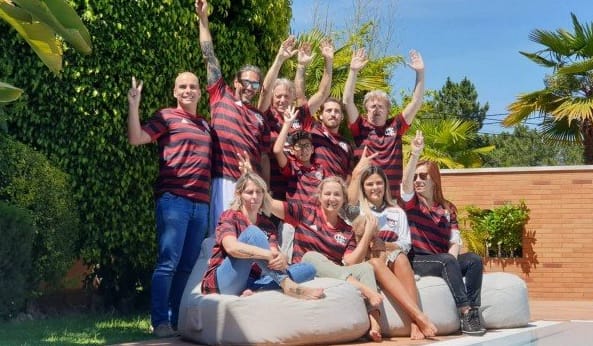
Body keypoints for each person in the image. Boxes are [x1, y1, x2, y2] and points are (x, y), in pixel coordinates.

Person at [127, 73, 211, 337]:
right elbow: (137, 138)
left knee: (187, 266)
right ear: (175, 92)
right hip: (174, 201)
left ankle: (177, 321)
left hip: (201, 205)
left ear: (199, 92)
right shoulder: (166, 116)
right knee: (168, 263)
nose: (188, 90)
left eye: (193, 86)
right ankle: (160, 321)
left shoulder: (205, 125)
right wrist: (133, 106)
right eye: (183, 87)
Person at [264, 176, 384, 342]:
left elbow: (350, 262)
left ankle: (375, 322)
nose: (332, 199)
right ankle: (362, 289)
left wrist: (368, 234)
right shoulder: (305, 212)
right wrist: (252, 177)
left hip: (333, 274)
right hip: (306, 272)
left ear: (343, 199)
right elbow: (269, 204)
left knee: (366, 268)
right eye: (327, 194)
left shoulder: (346, 230)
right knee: (311, 257)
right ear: (319, 196)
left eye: (337, 195)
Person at [196, 0, 271, 235]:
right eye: (246, 81)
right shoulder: (220, 94)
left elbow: (265, 158)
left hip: (251, 186)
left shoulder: (260, 117)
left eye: (255, 83)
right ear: (236, 81)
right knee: (219, 238)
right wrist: (203, 19)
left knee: (248, 240)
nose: (250, 86)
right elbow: (209, 57)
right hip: (223, 181)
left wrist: (264, 190)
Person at [401, 131, 486, 336]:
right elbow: (404, 185)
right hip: (418, 259)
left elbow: (454, 240)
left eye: (423, 176)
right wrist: (415, 154)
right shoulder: (412, 204)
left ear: (435, 180)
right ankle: (464, 312)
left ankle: (473, 309)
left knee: (474, 259)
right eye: (415, 177)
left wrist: (453, 261)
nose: (417, 180)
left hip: (443, 258)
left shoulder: (448, 208)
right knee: (447, 261)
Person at [348, 160, 437, 340]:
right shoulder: (357, 211)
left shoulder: (397, 211)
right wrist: (356, 173)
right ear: (363, 187)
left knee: (402, 258)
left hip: (393, 257)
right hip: (369, 260)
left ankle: (414, 323)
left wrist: (387, 245)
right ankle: (420, 317)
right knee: (375, 262)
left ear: (385, 185)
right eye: (370, 184)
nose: (375, 187)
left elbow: (405, 243)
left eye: (379, 183)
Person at [200, 172, 324, 300]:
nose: (255, 197)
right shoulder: (230, 216)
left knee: (308, 269)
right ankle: (288, 286)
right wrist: (267, 255)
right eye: (249, 192)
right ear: (239, 194)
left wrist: (281, 258)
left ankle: (255, 290)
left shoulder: (267, 224)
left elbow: (274, 254)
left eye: (259, 192)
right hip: (225, 280)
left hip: (254, 280)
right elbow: (231, 247)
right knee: (253, 233)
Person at [343, 48, 425, 199]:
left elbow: (416, 102)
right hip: (365, 199)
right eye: (372, 106)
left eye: (381, 106)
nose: (376, 109)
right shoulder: (360, 126)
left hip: (392, 200)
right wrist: (353, 71)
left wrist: (420, 73)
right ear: (366, 110)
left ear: (388, 110)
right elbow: (347, 100)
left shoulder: (396, 125)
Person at [258, 37, 334, 200]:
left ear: (293, 97)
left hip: (299, 193)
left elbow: (322, 94)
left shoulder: (300, 114)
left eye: (286, 96)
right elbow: (264, 91)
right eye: (278, 96)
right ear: (272, 97)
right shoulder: (266, 115)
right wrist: (279, 60)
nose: (282, 100)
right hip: (271, 193)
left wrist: (328, 60)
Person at [310, 98, 353, 181]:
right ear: (321, 115)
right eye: (329, 110)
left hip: (337, 191)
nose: (333, 114)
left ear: (342, 117)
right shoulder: (312, 134)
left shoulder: (347, 144)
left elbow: (349, 174)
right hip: (314, 190)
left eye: (337, 111)